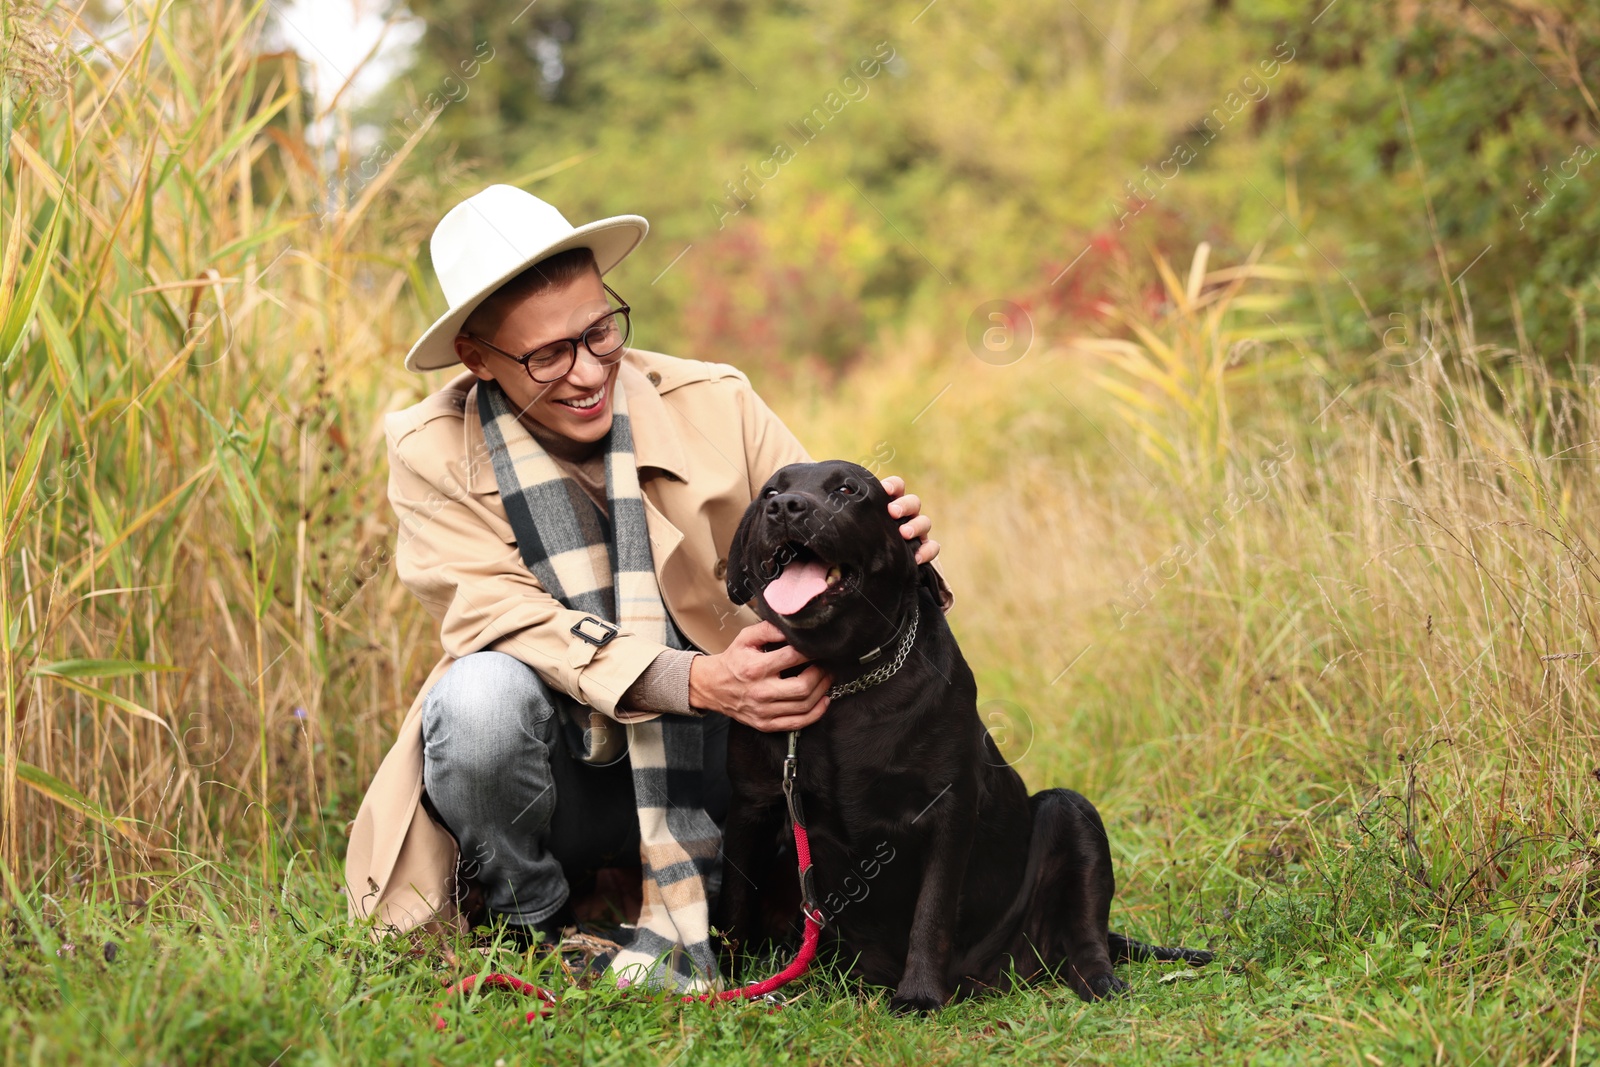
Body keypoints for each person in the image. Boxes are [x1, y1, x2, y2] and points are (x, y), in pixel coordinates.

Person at [342, 186, 947, 981]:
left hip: (732, 755)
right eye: (547, 355)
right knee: (477, 700)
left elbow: (827, 546)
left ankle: (734, 901)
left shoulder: (716, 399)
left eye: (599, 331)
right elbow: (503, 615)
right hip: (567, 765)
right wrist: (699, 679)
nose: (588, 371)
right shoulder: (429, 453)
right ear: (477, 359)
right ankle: (537, 924)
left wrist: (895, 547)